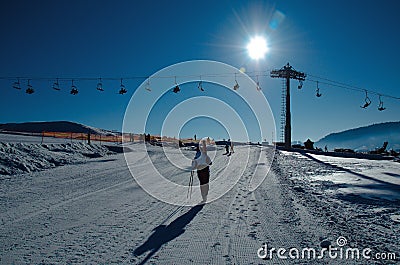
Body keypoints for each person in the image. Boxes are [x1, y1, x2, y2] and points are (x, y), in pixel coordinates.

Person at [191, 138, 212, 203]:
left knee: (202, 184)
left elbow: (193, 166)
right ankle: (205, 196)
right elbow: (210, 163)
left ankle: (203, 197)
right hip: (205, 171)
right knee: (206, 183)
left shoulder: (196, 157)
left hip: (199, 172)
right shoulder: (205, 155)